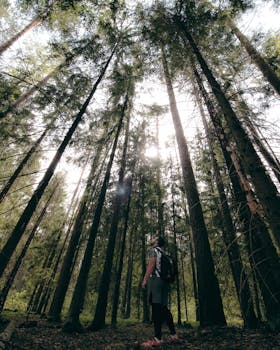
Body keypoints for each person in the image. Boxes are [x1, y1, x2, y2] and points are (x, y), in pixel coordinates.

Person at [141, 236, 179, 347]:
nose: (152, 239)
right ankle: (173, 335)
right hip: (165, 282)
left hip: (155, 281)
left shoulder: (153, 251)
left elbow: (151, 265)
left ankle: (157, 339)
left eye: (155, 238)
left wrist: (145, 280)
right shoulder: (165, 253)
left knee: (156, 308)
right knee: (163, 308)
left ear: (157, 242)